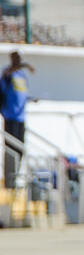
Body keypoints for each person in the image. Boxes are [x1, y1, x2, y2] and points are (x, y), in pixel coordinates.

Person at [1, 50, 34, 189]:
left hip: (21, 117)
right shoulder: (8, 73)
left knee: (20, 149)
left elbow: (21, 94)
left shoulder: (21, 75)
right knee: (11, 149)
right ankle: (9, 181)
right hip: (11, 116)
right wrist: (25, 65)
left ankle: (15, 179)